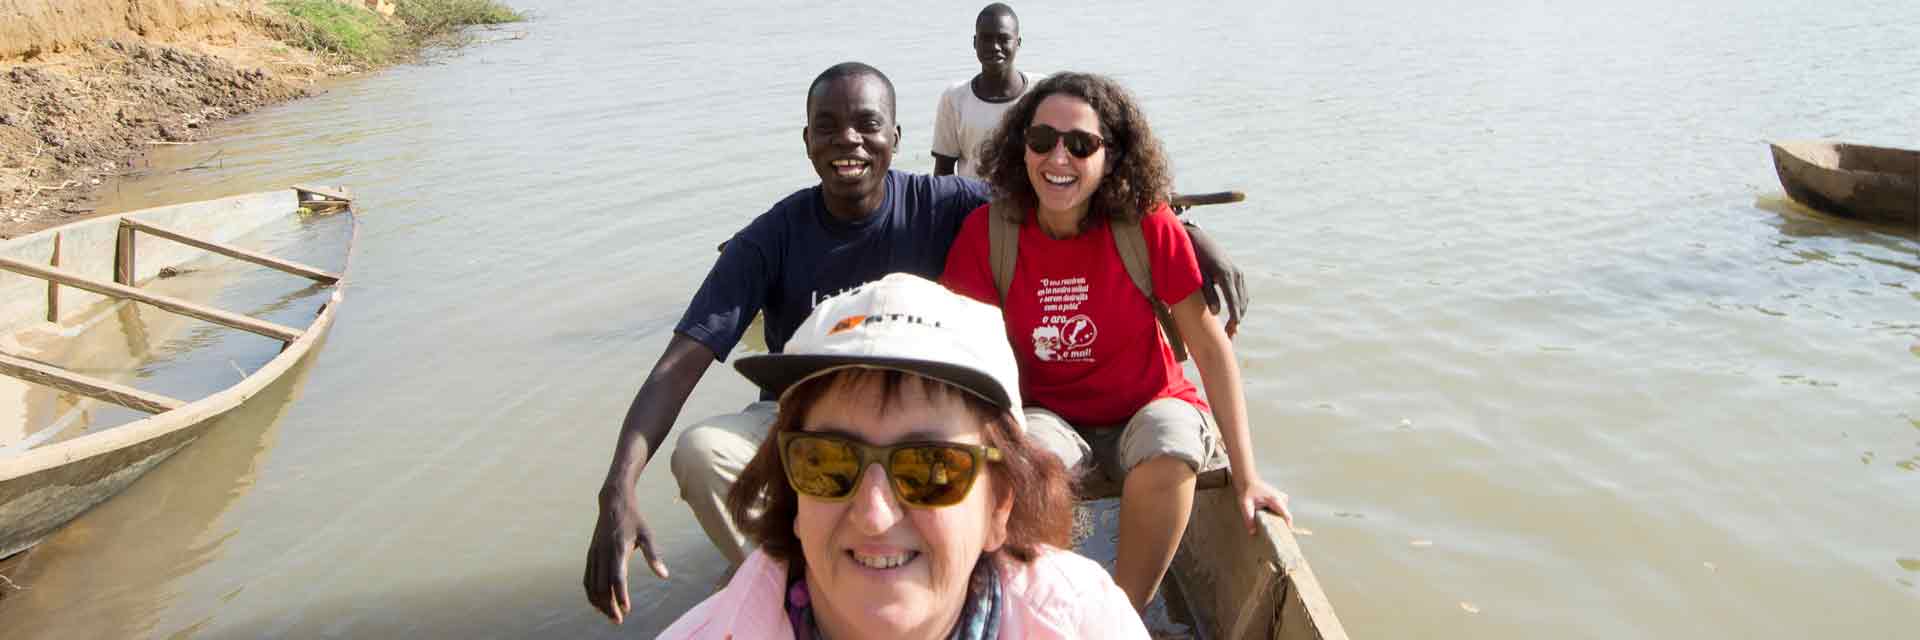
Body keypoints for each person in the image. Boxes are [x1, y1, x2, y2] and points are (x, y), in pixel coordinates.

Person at [582, 61, 1245, 624]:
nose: (850, 142)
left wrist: (1183, 231)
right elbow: (678, 365)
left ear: (895, 137)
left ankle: (976, 598)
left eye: (868, 125)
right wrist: (619, 485)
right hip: (817, 419)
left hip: (924, 418)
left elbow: (1069, 184)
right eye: (829, 127)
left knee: (1003, 463)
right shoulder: (770, 238)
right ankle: (810, 594)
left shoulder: (946, 202)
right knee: (701, 454)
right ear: (806, 140)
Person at [939, 72, 1293, 613]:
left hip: (1147, 402)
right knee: (1031, 459)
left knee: (1170, 439)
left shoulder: (1145, 225)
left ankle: (1120, 615)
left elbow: (1208, 344)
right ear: (1021, 147)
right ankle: (1043, 609)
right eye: (1042, 141)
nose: (1059, 159)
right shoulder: (988, 233)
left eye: (1080, 145)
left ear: (1111, 157)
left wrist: (1247, 476)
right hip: (1045, 411)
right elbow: (957, 353)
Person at [658, 273, 1148, 639]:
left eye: (931, 468)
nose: (874, 515)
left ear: (999, 505)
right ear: (793, 495)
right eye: (827, 463)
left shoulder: (1087, 621)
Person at [932, 3, 1039, 179]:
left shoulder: (1040, 92)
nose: (995, 46)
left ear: (1018, 43)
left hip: (1028, 202)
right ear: (975, 43)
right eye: (986, 38)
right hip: (972, 203)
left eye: (1003, 38)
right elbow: (943, 172)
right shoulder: (954, 98)